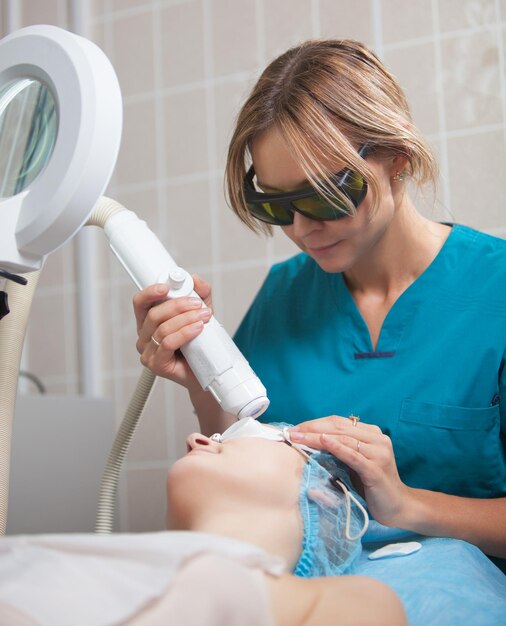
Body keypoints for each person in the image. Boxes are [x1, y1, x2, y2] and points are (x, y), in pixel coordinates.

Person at [133, 38, 506, 577]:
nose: (302, 229)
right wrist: (199, 378)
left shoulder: (492, 292)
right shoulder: (284, 295)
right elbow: (244, 452)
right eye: (275, 204)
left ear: (397, 160)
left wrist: (405, 504)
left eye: (324, 196)